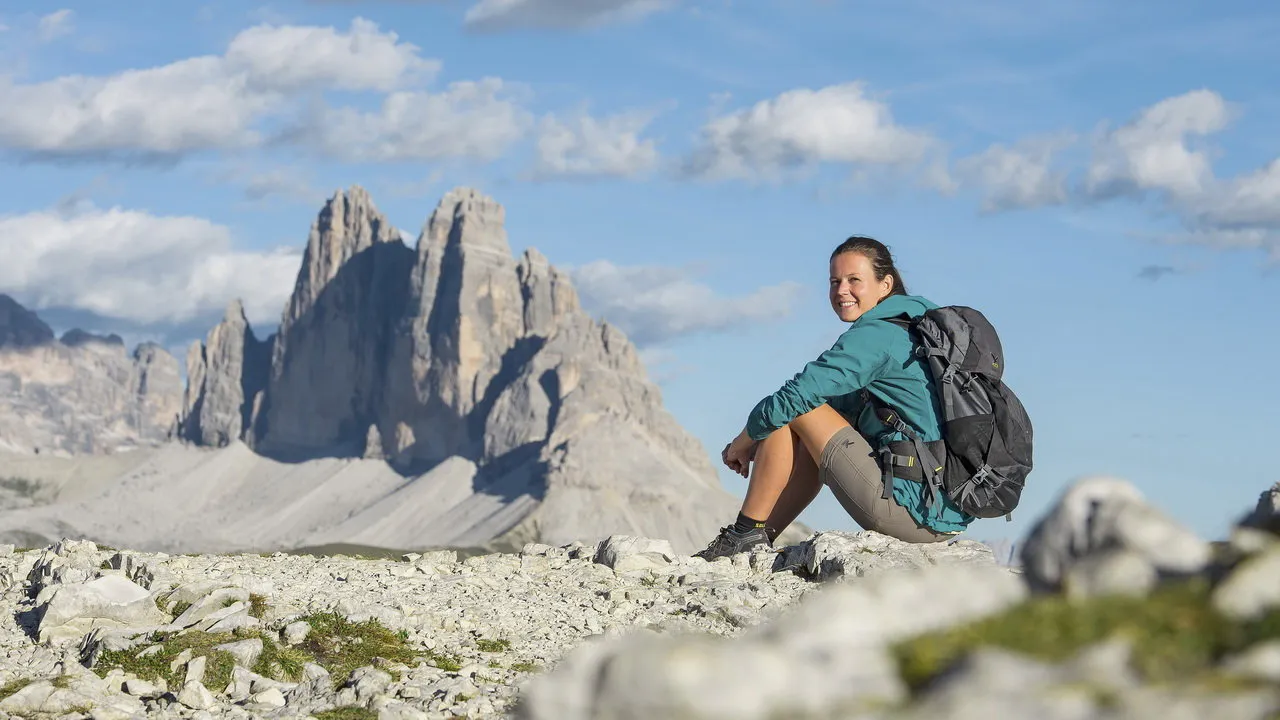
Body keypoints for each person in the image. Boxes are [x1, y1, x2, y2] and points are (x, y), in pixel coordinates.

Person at [694, 236, 973, 561]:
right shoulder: (917, 325)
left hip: (912, 511)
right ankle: (754, 538)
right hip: (943, 509)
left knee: (795, 406)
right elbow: (839, 410)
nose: (841, 290)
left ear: (885, 284)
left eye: (854, 280)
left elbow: (797, 397)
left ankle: (745, 535)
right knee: (793, 416)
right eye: (834, 281)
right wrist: (762, 440)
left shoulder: (877, 335)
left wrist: (744, 440)